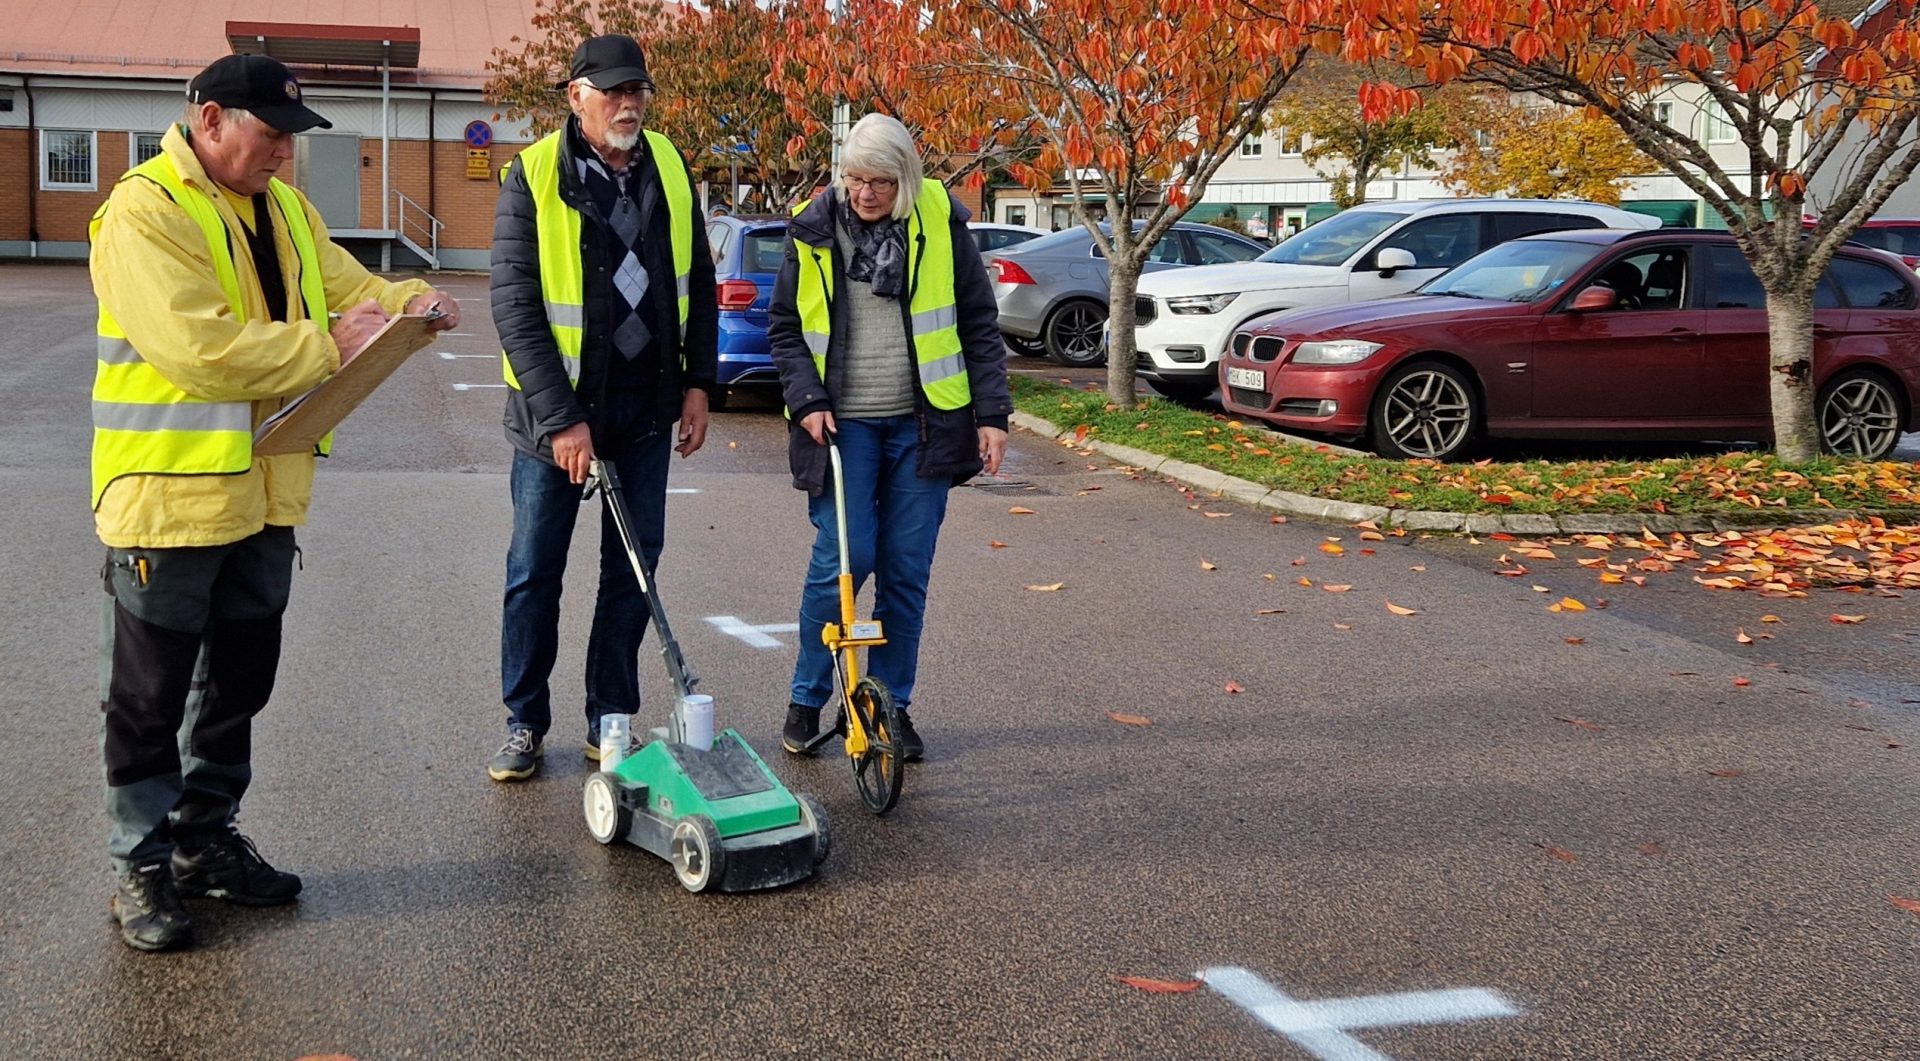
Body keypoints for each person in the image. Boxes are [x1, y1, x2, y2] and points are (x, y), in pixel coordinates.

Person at [89, 54, 458, 952]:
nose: (286, 156)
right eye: (271, 135)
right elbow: (197, 348)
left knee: (238, 683)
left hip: (264, 492)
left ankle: (204, 843)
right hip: (166, 500)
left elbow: (349, 286)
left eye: (292, 139)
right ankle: (139, 863)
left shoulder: (285, 211)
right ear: (210, 120)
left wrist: (413, 302)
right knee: (149, 696)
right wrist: (329, 346)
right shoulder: (143, 210)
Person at [487, 34, 718, 782]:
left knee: (634, 568)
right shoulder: (530, 177)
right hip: (557, 417)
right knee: (535, 570)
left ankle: (608, 717)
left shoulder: (670, 167)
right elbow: (515, 306)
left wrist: (697, 384)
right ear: (575, 95)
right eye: (613, 90)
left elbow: (700, 284)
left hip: (645, 409)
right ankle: (525, 721)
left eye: (638, 91)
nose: (629, 103)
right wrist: (562, 420)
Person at [767, 113, 1012, 762]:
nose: (865, 194)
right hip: (841, 429)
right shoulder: (815, 227)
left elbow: (978, 322)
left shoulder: (939, 219)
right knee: (846, 560)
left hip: (924, 426)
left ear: (905, 179)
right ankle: (806, 695)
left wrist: (994, 414)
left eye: (879, 182)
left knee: (906, 572)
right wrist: (806, 398)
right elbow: (786, 327)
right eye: (853, 179)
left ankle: (891, 704)